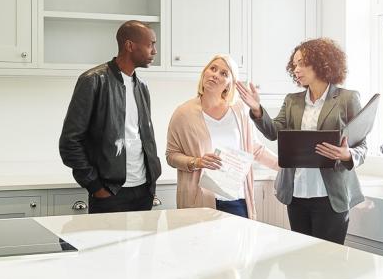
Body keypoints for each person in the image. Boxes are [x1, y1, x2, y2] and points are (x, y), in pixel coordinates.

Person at [235, 38, 367, 244]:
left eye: (302, 63)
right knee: (301, 262)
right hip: (296, 194)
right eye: (294, 64)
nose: (296, 69)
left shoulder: (347, 99)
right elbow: (274, 132)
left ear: (322, 62)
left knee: (328, 260)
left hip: (331, 196)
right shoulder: (292, 101)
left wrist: (348, 154)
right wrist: (257, 110)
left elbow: (362, 146)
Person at [58, 21, 162, 213]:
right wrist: (95, 186)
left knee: (143, 244)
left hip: (144, 190)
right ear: (130, 46)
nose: (155, 51)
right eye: (151, 44)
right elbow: (70, 142)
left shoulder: (142, 87)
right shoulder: (93, 80)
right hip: (110, 193)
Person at [166, 55, 278, 218]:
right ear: (205, 72)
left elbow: (255, 150)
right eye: (213, 68)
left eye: (224, 73)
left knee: (240, 243)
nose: (215, 74)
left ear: (229, 84)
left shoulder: (240, 110)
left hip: (237, 199)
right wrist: (196, 162)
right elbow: (171, 155)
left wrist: (286, 167)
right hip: (200, 201)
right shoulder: (183, 113)